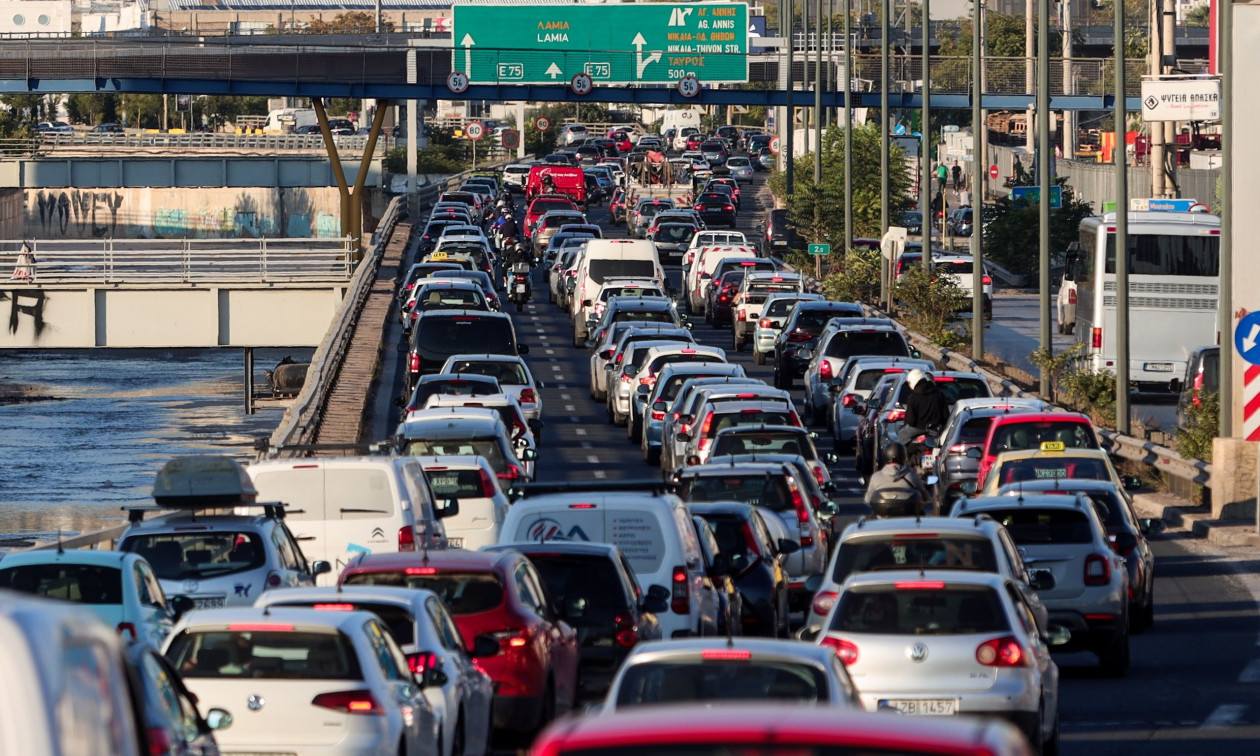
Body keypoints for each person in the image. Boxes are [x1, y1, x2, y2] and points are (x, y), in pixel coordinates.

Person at [864, 442, 930, 507]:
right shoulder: (911, 475)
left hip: (882, 516)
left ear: (886, 456)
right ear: (903, 456)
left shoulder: (876, 477)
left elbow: (868, 499)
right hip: (907, 515)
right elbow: (924, 496)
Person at [898, 369, 949, 444]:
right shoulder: (939, 394)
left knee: (900, 435)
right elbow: (946, 416)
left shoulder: (913, 398)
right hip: (936, 430)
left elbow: (910, 421)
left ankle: (903, 454)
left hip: (918, 430)